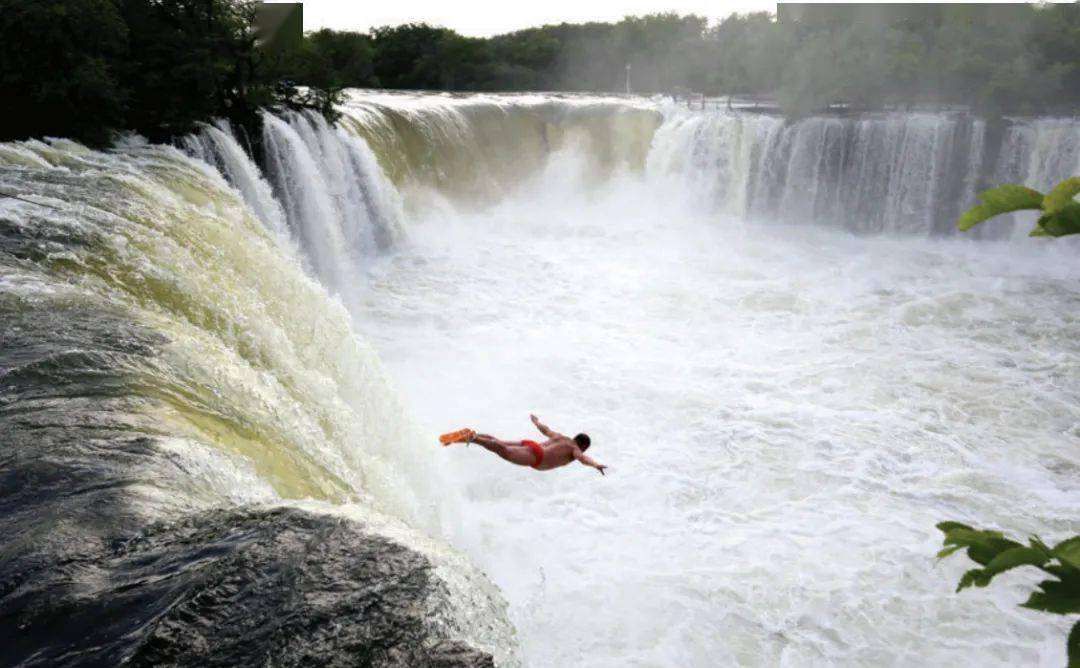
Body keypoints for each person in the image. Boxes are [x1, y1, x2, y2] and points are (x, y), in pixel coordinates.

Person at [439, 415, 607, 475]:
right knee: (502, 450)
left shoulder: (561, 437)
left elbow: (545, 430)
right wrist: (596, 464)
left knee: (497, 442)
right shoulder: (574, 450)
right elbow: (583, 458)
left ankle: (472, 435)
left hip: (531, 444)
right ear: (583, 445)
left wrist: (536, 421)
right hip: (537, 456)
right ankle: (472, 437)